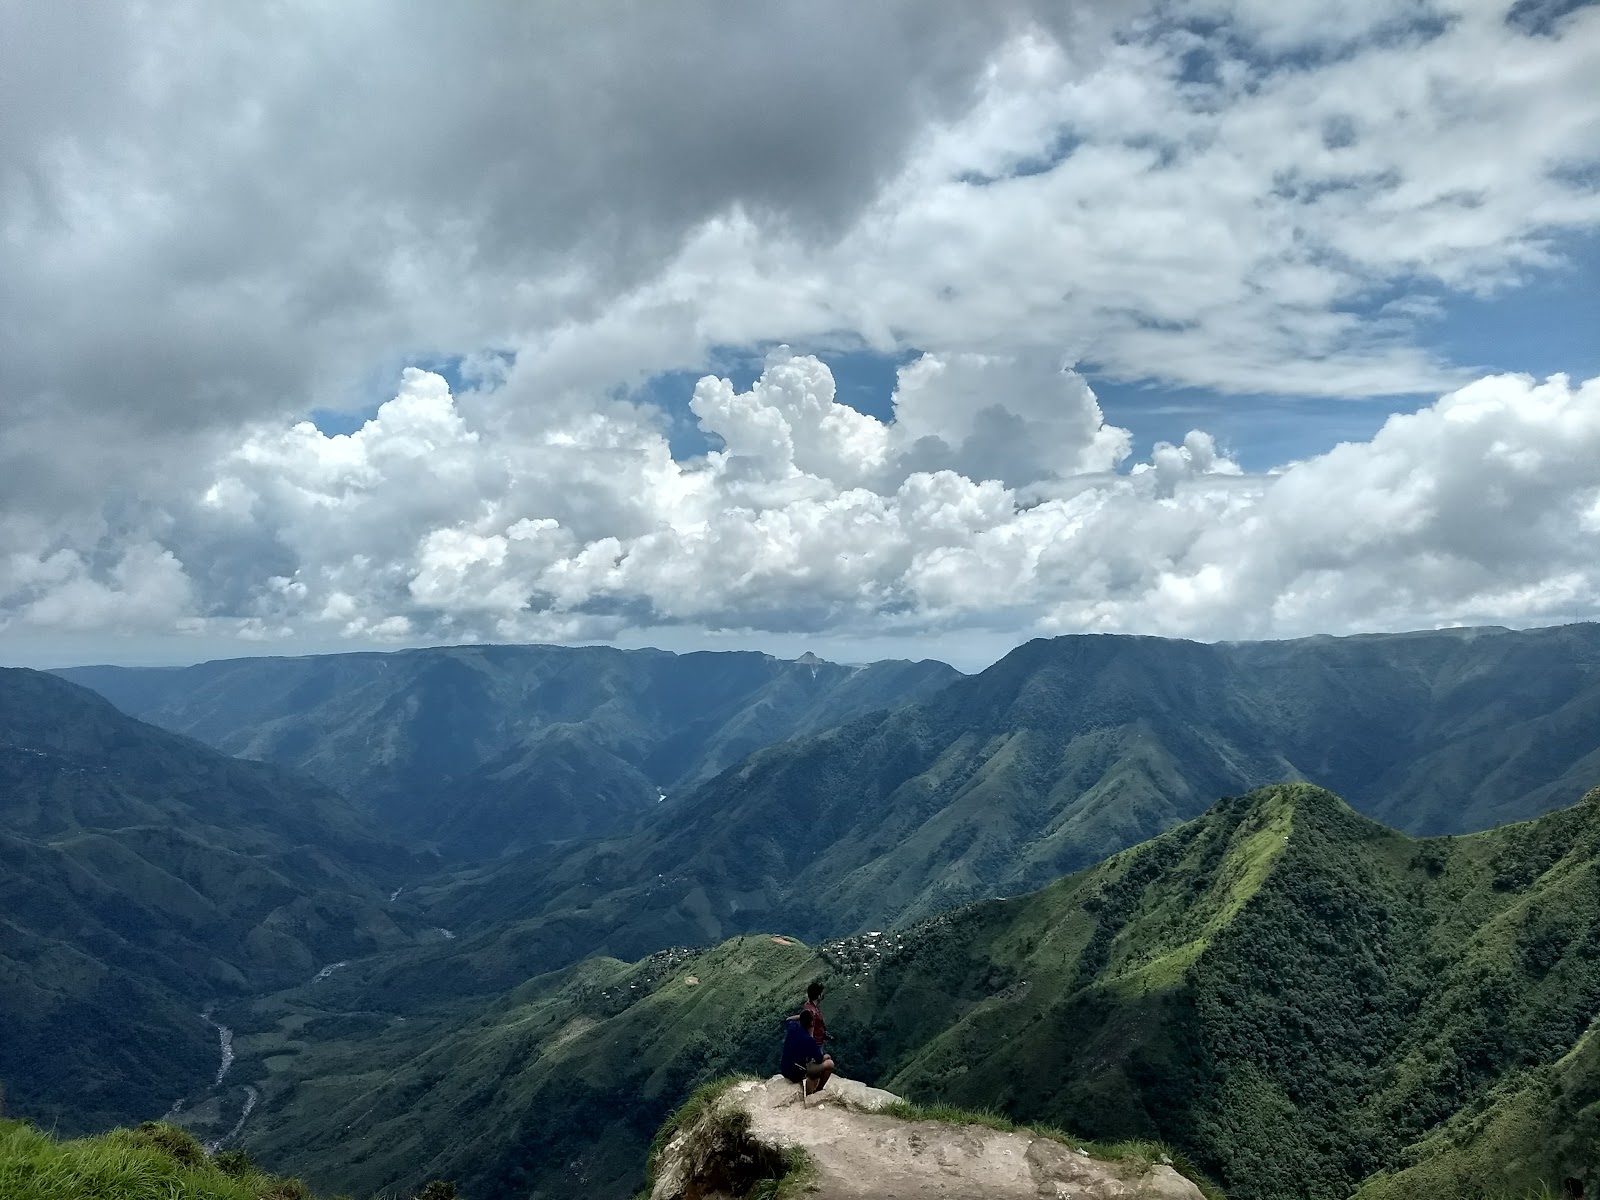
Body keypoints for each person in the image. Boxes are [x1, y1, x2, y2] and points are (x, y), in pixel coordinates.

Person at [779, 1008, 833, 1095]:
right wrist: (811, 1034)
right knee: (829, 1063)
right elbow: (819, 1059)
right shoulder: (809, 1040)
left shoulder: (793, 1028)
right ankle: (817, 1090)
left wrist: (802, 1016)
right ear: (812, 1023)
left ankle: (812, 1090)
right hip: (795, 1074)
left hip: (784, 1069)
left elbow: (788, 1019)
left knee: (813, 1061)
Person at [801, 980, 827, 1050]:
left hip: (815, 1041)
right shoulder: (813, 1013)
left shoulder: (807, 1005)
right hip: (816, 1043)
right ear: (818, 996)